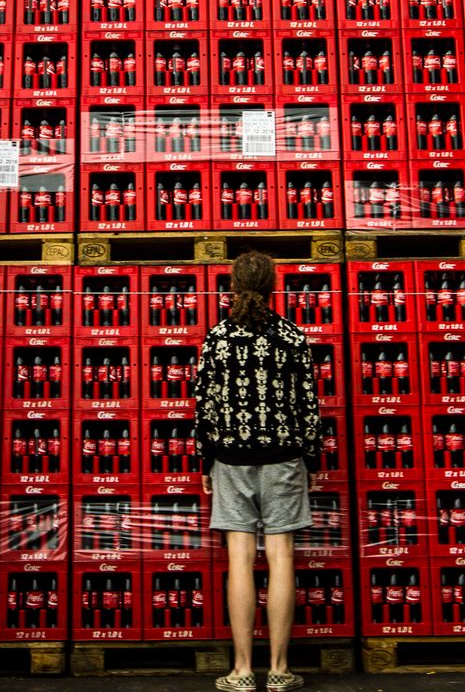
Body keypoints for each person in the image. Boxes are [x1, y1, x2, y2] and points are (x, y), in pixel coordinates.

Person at [194, 251, 322, 692]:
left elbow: (205, 404)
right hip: (284, 456)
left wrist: (204, 459)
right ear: (274, 286)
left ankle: (242, 670)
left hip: (231, 458)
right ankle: (281, 669)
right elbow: (308, 403)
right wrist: (313, 458)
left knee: (240, 561)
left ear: (232, 285)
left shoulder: (219, 337)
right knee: (282, 557)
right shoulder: (292, 336)